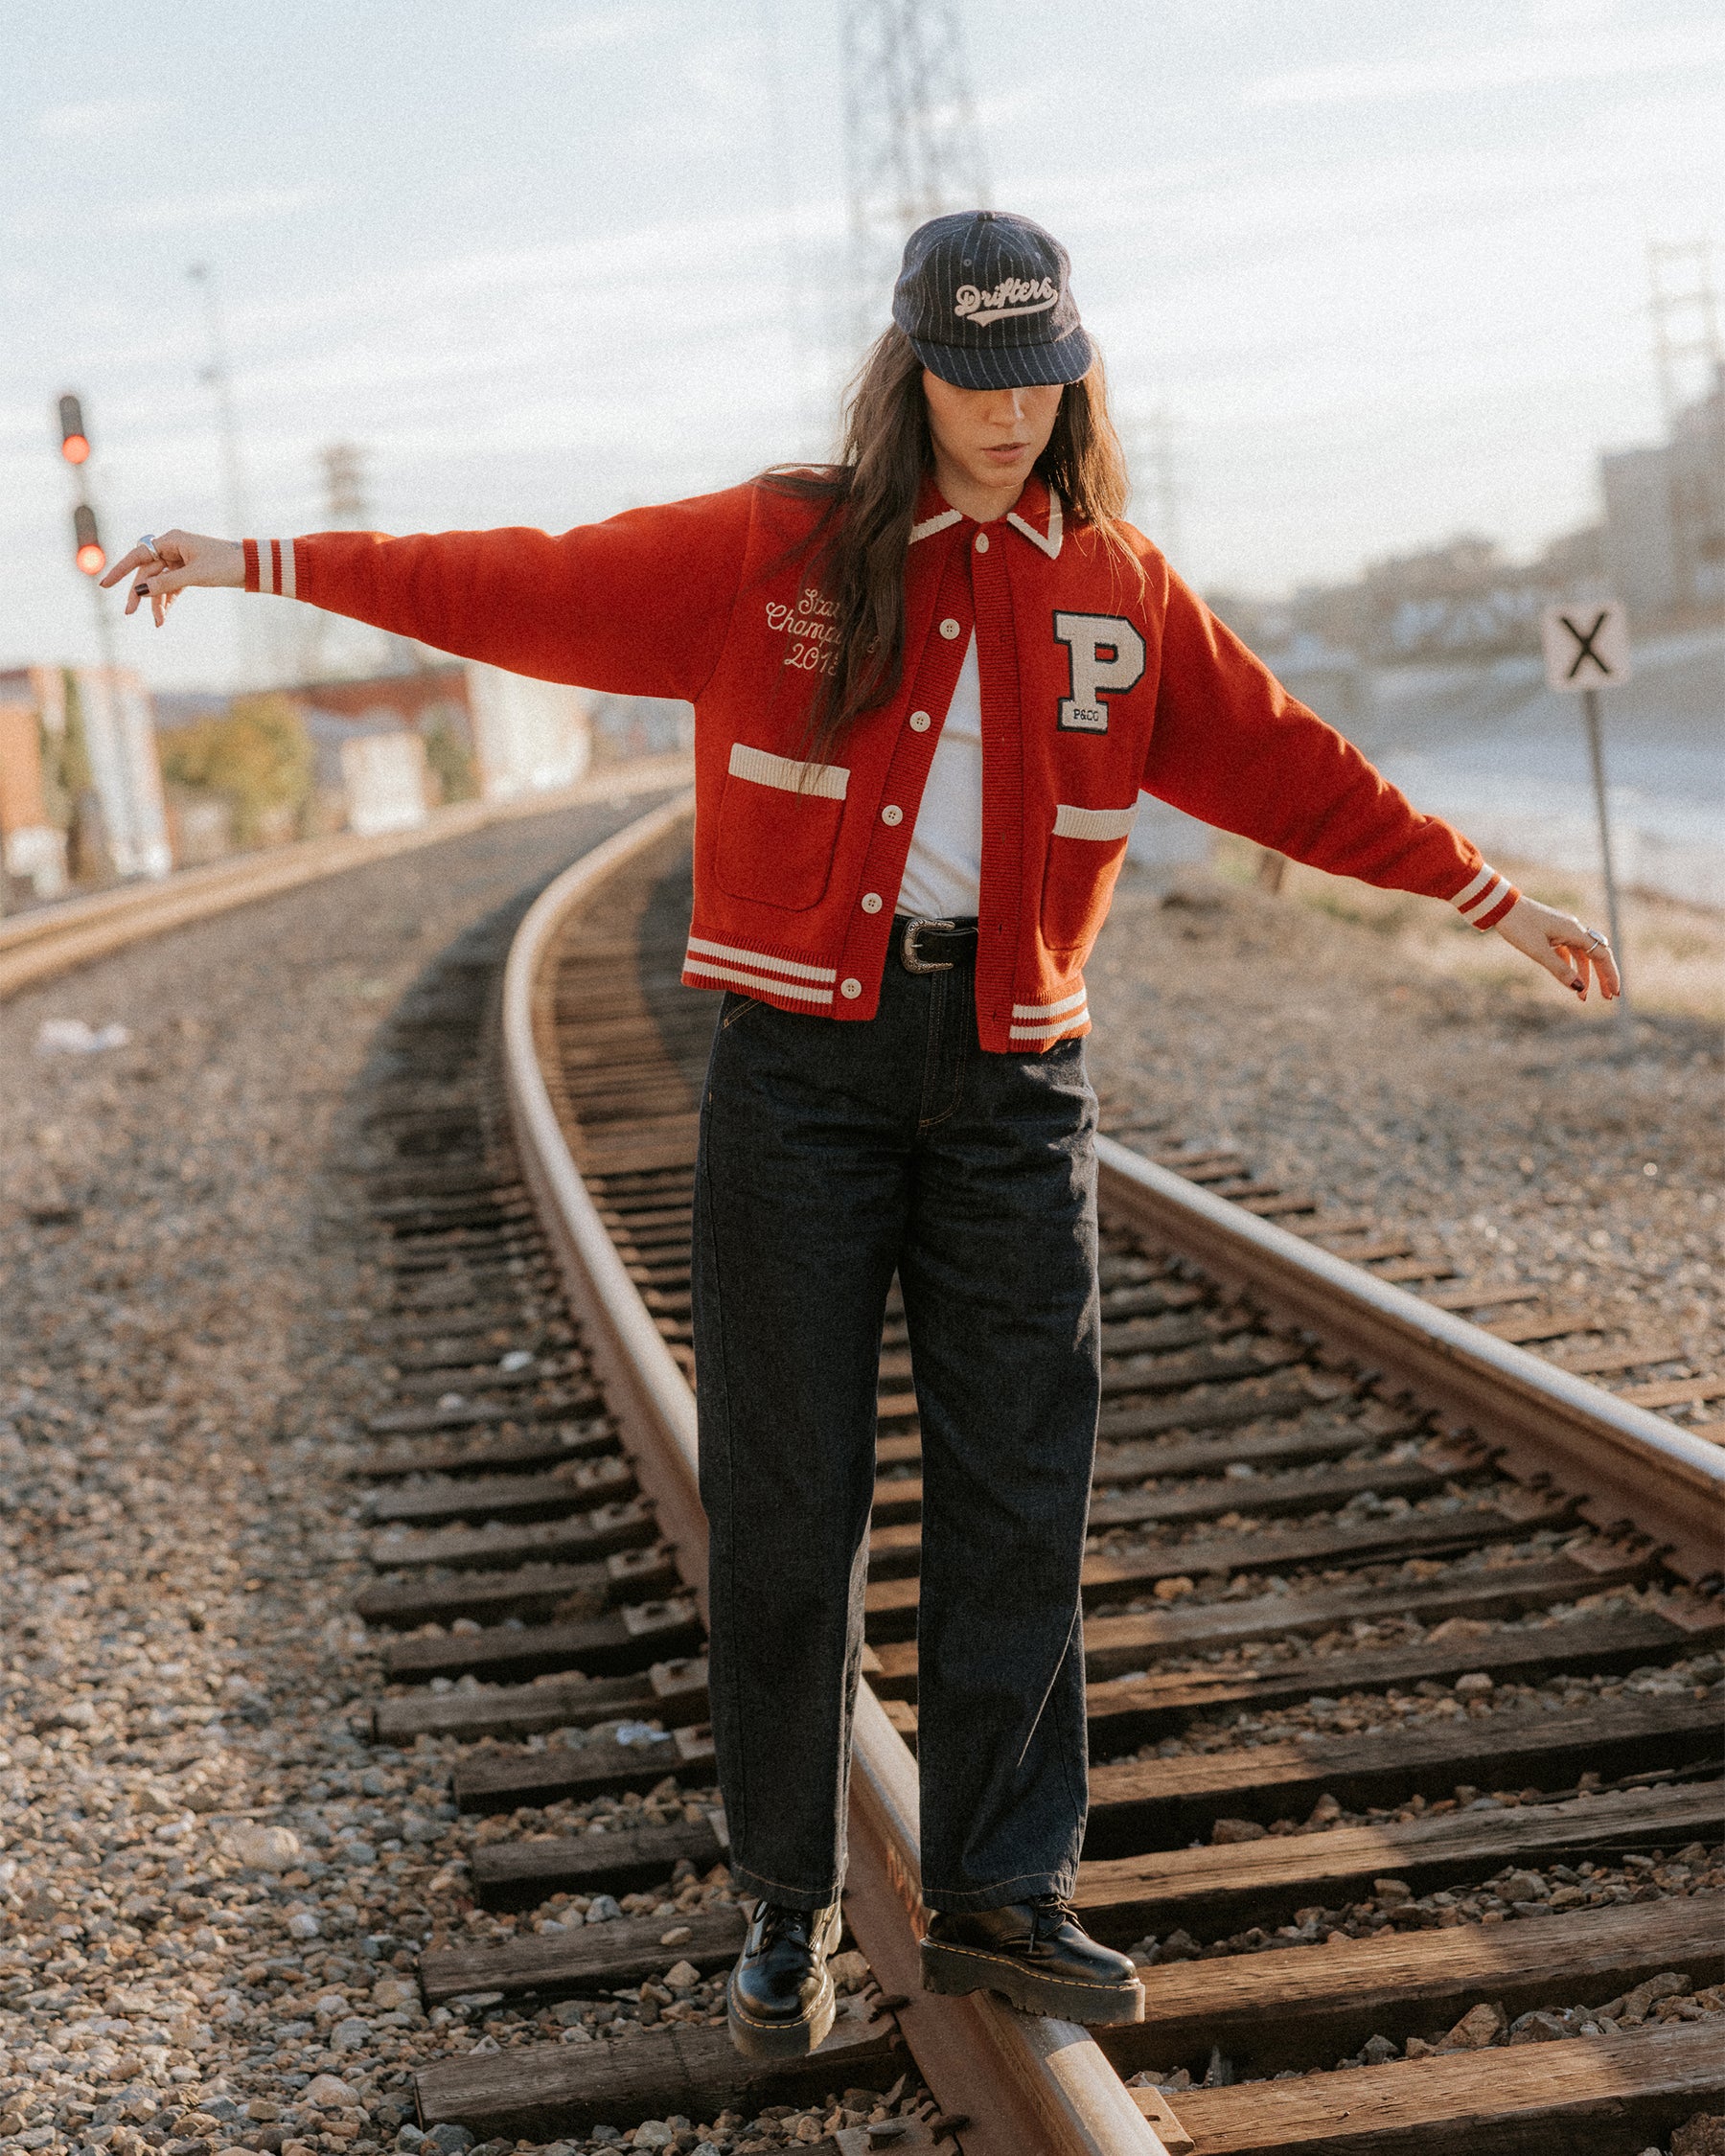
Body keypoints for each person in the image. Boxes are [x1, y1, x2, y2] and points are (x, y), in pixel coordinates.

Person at [107, 210, 1620, 2058]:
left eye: (1037, 374)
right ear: (912, 371)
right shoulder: (783, 546)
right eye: (973, 378)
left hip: (1014, 1080)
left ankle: (1004, 1885)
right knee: (786, 1487)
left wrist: (1491, 896)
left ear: (1078, 367)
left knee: (1017, 1483)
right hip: (802, 1076)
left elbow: (1290, 763)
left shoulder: (1119, 588)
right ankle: (784, 1900)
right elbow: (512, 580)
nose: (1008, 411)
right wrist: (257, 557)